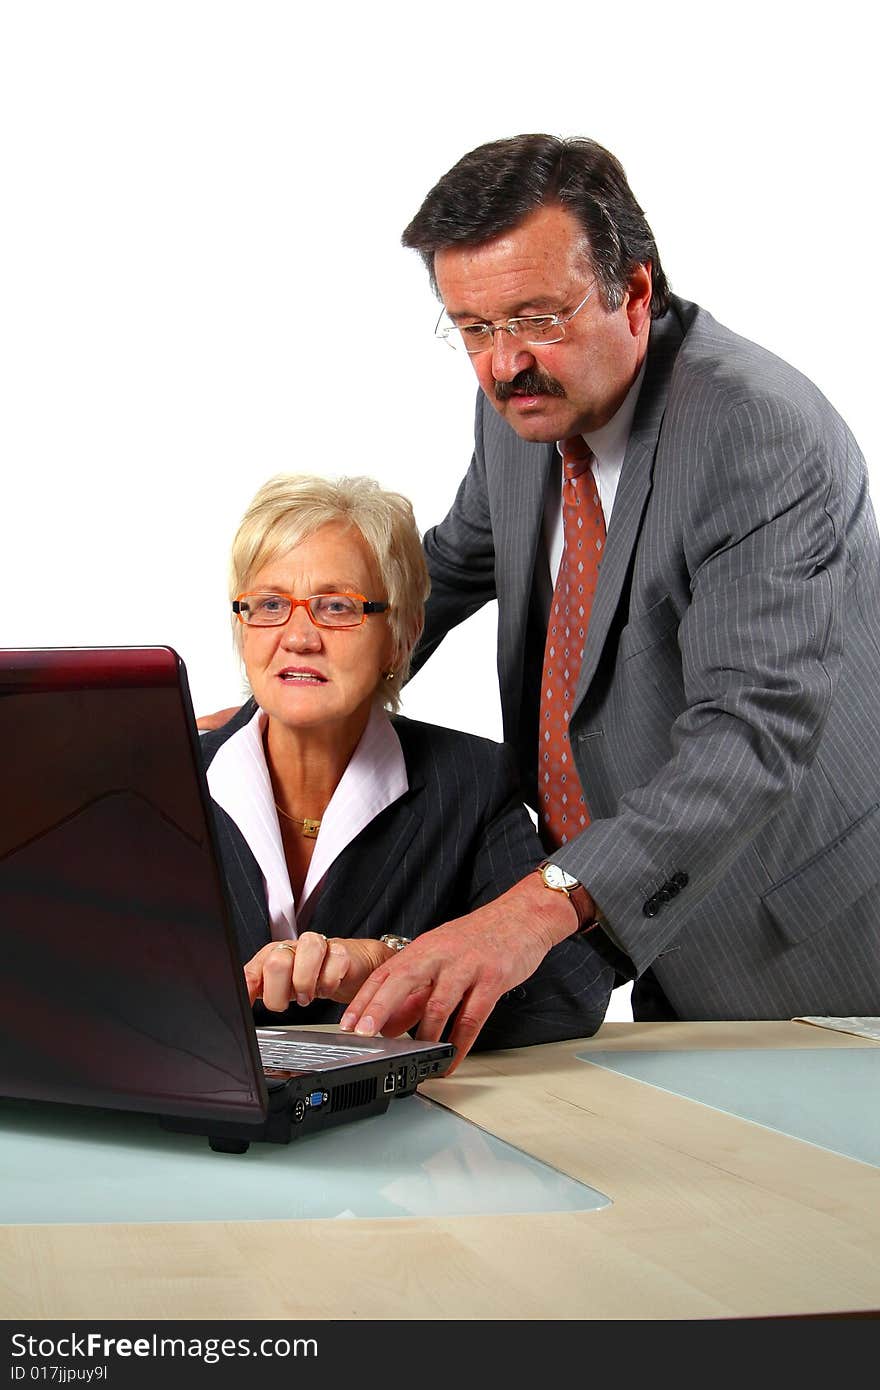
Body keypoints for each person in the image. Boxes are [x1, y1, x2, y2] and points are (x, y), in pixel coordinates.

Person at [335, 132, 880, 1057]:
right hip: (650, 912)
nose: (503, 364)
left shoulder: (757, 435)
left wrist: (535, 905)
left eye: (537, 317)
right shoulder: (524, 405)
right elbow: (460, 562)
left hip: (810, 937)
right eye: (472, 327)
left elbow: (750, 733)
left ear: (634, 292)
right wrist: (296, 690)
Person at [201, 471, 612, 1054]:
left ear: (400, 636)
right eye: (269, 605)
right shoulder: (163, 776)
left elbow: (570, 989)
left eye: (336, 607)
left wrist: (388, 966)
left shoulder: (471, 781)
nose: (298, 637)